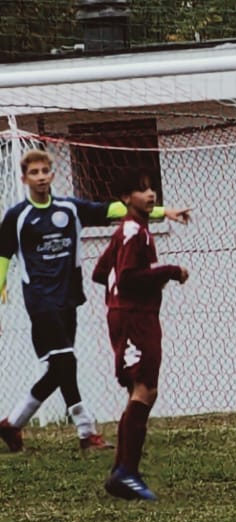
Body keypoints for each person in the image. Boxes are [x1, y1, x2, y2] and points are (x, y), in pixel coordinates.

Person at [0, 149, 191, 453]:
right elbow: (3, 255)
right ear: (24, 179)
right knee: (66, 362)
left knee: (59, 368)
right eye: (33, 173)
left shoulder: (71, 209)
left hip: (68, 299)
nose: (40, 177)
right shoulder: (17, 217)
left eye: (44, 171)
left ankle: (12, 423)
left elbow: (115, 209)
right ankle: (86, 430)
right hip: (40, 301)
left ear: (52, 175)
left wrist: (163, 212)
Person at [90, 169, 189, 501]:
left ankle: (122, 470)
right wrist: (170, 272)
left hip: (123, 315)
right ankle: (126, 472)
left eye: (151, 189)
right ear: (125, 198)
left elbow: (101, 272)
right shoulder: (135, 233)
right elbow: (129, 277)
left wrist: (122, 293)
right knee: (145, 389)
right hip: (135, 317)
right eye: (141, 190)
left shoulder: (126, 229)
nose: (150, 195)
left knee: (139, 390)